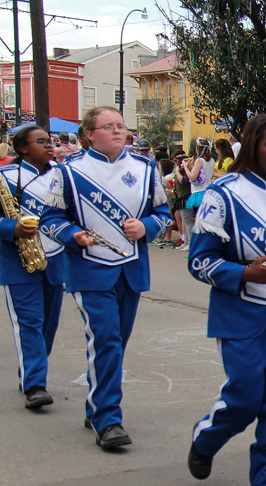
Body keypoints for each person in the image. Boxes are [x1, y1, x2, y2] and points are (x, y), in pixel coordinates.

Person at [186, 114, 266, 486]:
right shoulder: (222, 195)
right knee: (245, 397)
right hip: (239, 313)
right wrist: (243, 273)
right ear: (252, 145)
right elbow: (198, 262)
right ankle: (206, 437)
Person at [40, 106, 172, 448]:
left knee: (117, 343)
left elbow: (162, 213)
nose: (118, 131)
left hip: (131, 269)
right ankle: (108, 420)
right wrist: (73, 235)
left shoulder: (145, 168)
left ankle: (96, 403)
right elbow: (49, 219)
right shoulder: (68, 172)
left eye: (121, 126)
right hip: (89, 269)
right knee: (106, 341)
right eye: (108, 126)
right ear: (89, 134)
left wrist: (147, 227)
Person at [0, 125, 66, 409]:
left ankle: (30, 370)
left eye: (50, 141)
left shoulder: (65, 176)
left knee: (48, 325)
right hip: (18, 260)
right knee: (29, 321)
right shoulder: (4, 178)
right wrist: (9, 227)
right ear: (22, 148)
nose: (50, 145)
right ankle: (35, 384)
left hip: (55, 258)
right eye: (41, 142)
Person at [182, 138, 215, 253]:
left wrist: (185, 167)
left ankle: (200, 247)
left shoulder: (199, 161)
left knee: (198, 220)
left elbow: (192, 177)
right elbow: (210, 174)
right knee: (207, 219)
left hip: (199, 193)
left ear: (198, 148)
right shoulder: (211, 161)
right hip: (209, 191)